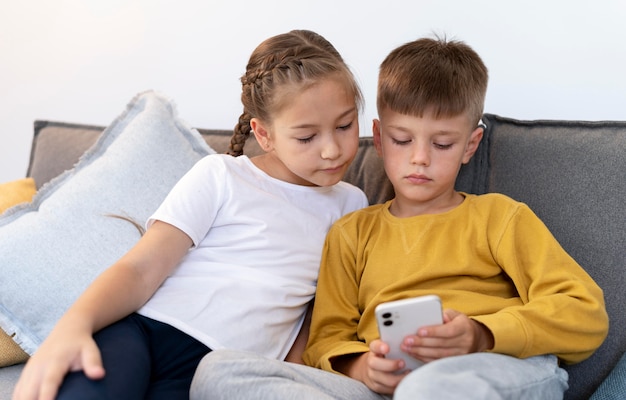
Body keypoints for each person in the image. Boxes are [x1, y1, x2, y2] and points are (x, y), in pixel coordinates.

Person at [190, 36, 609, 400]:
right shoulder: (353, 232)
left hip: (490, 370)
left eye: (442, 144)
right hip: (382, 388)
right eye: (401, 139)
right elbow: (325, 341)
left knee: (427, 389)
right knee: (220, 372)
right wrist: (360, 368)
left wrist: (481, 334)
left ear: (471, 144)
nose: (419, 159)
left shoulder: (499, 217)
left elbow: (584, 313)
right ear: (377, 132)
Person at [12, 29, 369, 400]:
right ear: (265, 135)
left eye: (344, 126)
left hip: (220, 372)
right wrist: (74, 326)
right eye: (307, 137)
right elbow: (140, 268)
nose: (332, 149)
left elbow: (313, 318)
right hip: (143, 334)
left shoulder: (351, 207)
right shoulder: (221, 175)